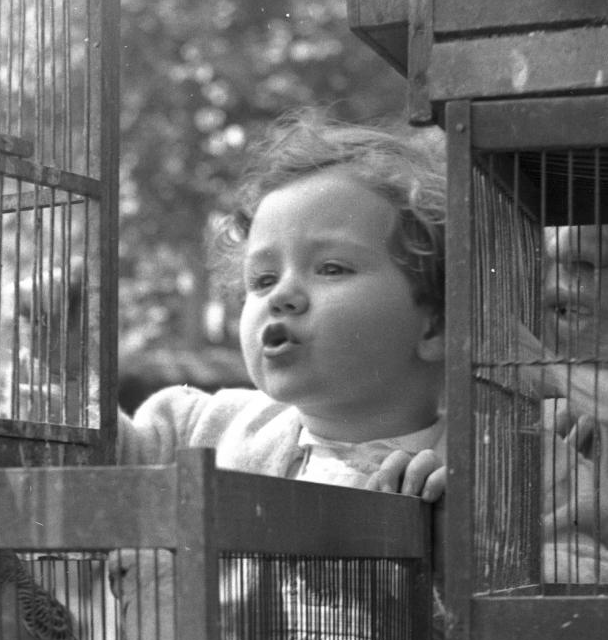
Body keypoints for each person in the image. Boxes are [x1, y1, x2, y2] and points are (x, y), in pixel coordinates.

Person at [118, 110, 448, 502]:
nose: (281, 296)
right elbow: (113, 463)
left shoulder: (468, 470)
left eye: (331, 268)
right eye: (262, 280)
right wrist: (76, 371)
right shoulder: (206, 430)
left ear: (434, 326)